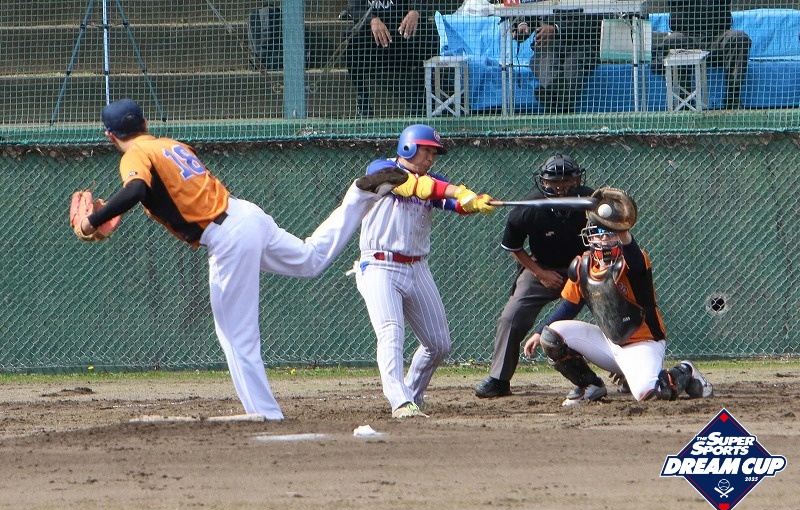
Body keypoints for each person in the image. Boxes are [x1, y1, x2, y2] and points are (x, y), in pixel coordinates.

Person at [71, 98, 410, 421]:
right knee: (310, 259)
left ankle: (267, 414)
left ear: (110, 136)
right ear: (145, 123)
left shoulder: (135, 154)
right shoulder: (172, 145)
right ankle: (359, 195)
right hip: (245, 214)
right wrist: (110, 212)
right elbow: (160, 191)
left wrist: (92, 222)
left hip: (226, 236)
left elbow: (136, 190)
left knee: (236, 335)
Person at [353, 124, 495, 418]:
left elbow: (451, 202)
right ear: (407, 147)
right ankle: (400, 401)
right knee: (391, 332)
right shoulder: (381, 169)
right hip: (379, 265)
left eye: (434, 153)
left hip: (417, 267)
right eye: (426, 150)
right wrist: (458, 191)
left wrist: (474, 202)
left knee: (438, 344)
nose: (431, 157)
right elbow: (414, 187)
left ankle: (412, 394)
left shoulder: (433, 181)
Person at [523, 187, 713, 405]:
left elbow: (635, 260)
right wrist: (539, 332)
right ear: (590, 236)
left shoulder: (632, 260)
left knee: (649, 394)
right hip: (610, 343)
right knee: (552, 334)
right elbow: (569, 307)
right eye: (599, 233)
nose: (604, 238)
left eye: (609, 233)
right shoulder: (583, 264)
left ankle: (685, 371)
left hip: (643, 342)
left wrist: (622, 229)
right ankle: (590, 386)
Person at [474, 154, 594, 399]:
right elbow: (513, 246)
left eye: (567, 180)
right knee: (511, 317)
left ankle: (629, 373)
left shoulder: (590, 201)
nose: (561, 187)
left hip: (585, 268)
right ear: (543, 182)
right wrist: (540, 274)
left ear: (577, 179)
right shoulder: (529, 206)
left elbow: (609, 233)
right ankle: (499, 379)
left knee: (615, 308)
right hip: (543, 267)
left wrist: (588, 268)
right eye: (554, 182)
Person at [342, 0, 439, 118]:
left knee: (430, 35)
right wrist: (371, 19)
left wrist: (416, 11)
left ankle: (421, 103)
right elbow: (354, 6)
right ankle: (363, 103)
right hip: (375, 37)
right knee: (352, 45)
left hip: (404, 32)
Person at [650, 0, 751, 110]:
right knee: (674, 40)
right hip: (686, 36)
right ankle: (684, 102)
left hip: (718, 36)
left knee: (740, 38)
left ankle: (733, 100)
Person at [512, 10, 604, 113]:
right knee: (545, 61)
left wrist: (556, 29)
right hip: (548, 44)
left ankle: (551, 96)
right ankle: (554, 92)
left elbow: (594, 19)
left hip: (581, 45)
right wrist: (523, 24)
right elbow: (533, 9)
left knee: (572, 67)